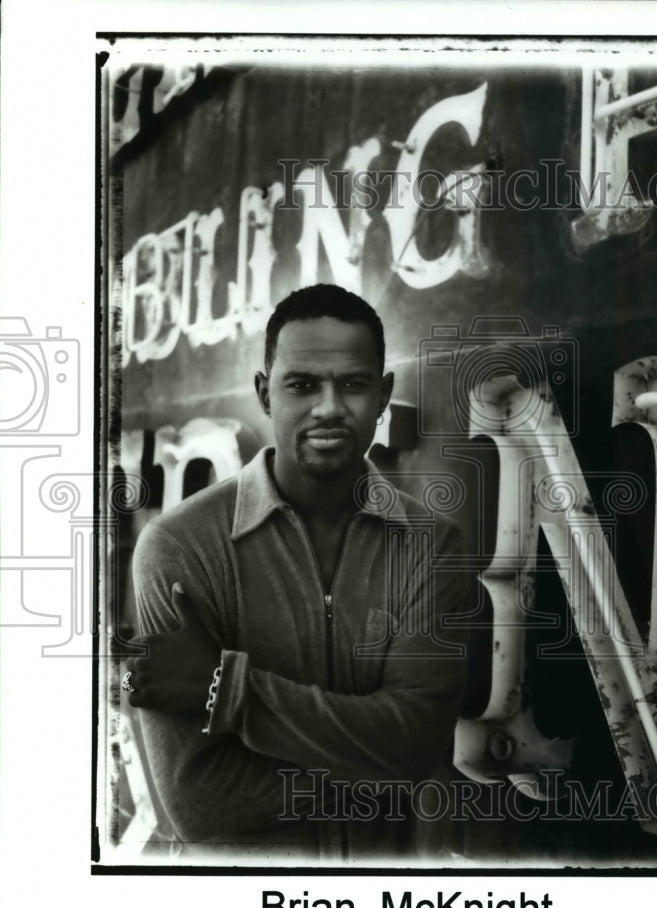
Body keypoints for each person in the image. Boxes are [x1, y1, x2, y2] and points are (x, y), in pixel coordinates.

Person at [123, 283, 470, 859]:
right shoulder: (178, 548)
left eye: (353, 384)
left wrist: (229, 691)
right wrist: (379, 768)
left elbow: (416, 741)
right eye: (303, 384)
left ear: (383, 395)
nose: (330, 407)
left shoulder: (432, 544)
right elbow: (200, 806)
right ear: (265, 392)